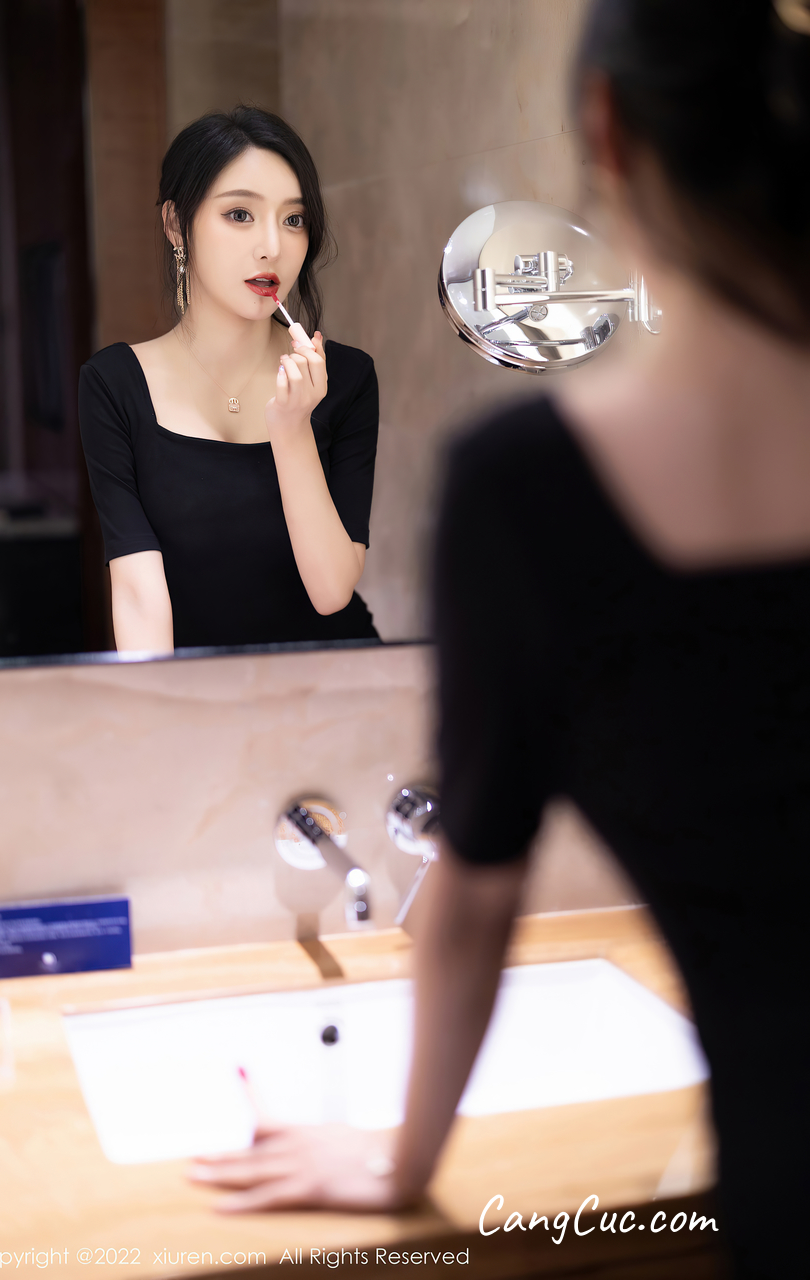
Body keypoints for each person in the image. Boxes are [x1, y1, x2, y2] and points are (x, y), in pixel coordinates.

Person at [187, 3, 810, 1274]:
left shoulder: (531, 489)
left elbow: (475, 890)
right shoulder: (131, 384)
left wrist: (401, 1161)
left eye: (290, 215)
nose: (271, 244)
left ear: (605, 131)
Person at [79, 106, 379, 652]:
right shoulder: (113, 385)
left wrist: (292, 428)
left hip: (335, 680)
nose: (272, 246)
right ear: (176, 224)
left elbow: (332, 590)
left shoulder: (347, 378)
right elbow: (139, 594)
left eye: (294, 220)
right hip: (199, 688)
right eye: (240, 214)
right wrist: (163, 701)